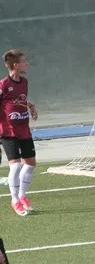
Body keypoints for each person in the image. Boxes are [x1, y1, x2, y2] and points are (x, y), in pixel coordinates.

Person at [0, 50, 38, 216]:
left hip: (24, 128)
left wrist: (31, 106)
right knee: (15, 165)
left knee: (30, 164)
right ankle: (15, 200)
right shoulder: (2, 85)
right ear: (15, 65)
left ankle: (22, 196)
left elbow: (19, 99)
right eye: (23, 62)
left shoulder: (24, 82)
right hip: (8, 130)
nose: (26, 64)